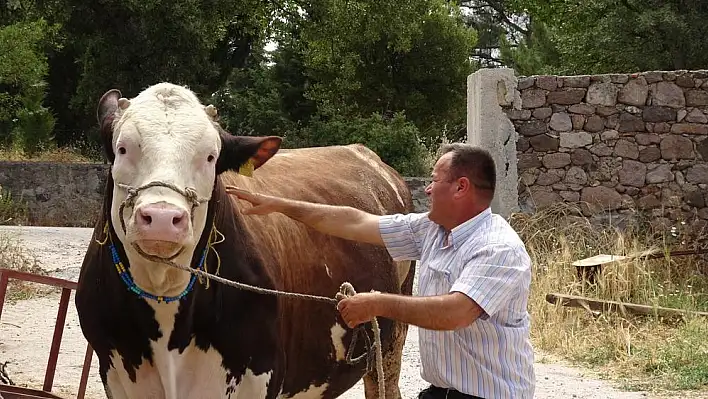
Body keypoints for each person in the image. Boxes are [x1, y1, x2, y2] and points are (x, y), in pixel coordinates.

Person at [226, 143, 535, 399]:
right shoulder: (432, 231)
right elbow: (355, 222)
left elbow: (455, 313)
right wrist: (280, 205)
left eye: (434, 180)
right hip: (442, 392)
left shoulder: (497, 248)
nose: (427, 189)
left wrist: (376, 304)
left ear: (460, 187)